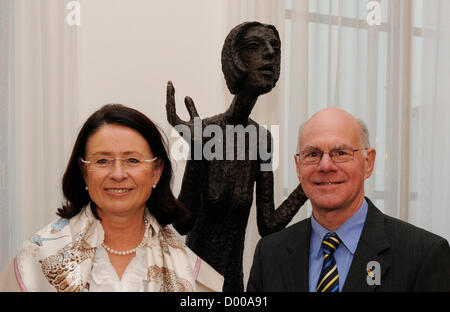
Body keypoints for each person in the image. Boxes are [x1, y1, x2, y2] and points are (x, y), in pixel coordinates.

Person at [0, 104, 223, 292]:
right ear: (84, 171)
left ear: (156, 171)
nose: (118, 174)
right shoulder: (35, 260)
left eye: (132, 160)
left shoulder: (193, 274)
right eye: (102, 161)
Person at [166, 21, 307, 291]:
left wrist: (307, 184)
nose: (269, 54)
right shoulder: (206, 132)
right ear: (235, 59)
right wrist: (198, 152)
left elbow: (267, 224)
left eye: (274, 48)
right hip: (194, 284)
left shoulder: (262, 139)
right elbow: (183, 224)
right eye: (256, 47)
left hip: (233, 285)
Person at [247, 107, 450, 292]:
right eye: (313, 154)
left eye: (341, 153)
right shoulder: (269, 255)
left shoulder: (423, 256)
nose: (325, 166)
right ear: (298, 167)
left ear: (368, 163)